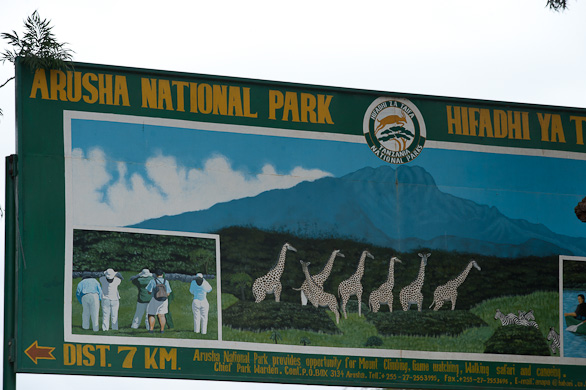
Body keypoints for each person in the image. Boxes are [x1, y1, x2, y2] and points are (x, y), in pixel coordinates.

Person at [145, 269, 172, 333]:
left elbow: (149, 291)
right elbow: (168, 293)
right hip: (164, 300)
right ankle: (162, 330)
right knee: (162, 315)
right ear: (162, 274)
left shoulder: (152, 281)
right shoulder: (166, 281)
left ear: (155, 275)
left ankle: (151, 329)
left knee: (151, 314)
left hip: (155, 299)